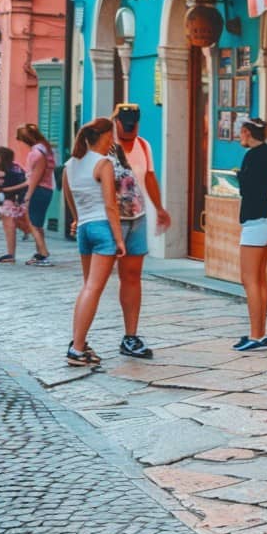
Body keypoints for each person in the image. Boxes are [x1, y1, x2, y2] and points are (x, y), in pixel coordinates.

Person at [63, 118, 126, 366]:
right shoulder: (104, 163)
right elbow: (111, 205)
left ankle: (78, 342)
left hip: (84, 229)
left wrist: (78, 219)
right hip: (102, 229)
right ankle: (77, 349)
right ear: (105, 137)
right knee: (93, 289)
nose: (114, 140)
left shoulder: (71, 164)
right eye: (111, 135)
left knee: (87, 287)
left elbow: (69, 197)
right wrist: (119, 240)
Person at [111, 104, 172, 360]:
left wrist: (159, 208)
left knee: (132, 275)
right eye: (124, 124)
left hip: (137, 218)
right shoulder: (105, 146)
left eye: (133, 125)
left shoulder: (143, 145)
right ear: (115, 121)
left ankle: (130, 335)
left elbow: (148, 177)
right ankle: (80, 339)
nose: (129, 129)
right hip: (109, 220)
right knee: (97, 280)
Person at [234, 118, 267, 352]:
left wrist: (239, 175)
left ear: (246, 132)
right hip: (266, 218)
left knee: (249, 279)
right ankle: (259, 332)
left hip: (255, 220)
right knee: (260, 280)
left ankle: (256, 334)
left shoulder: (253, 155)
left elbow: (248, 187)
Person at [16, 124, 56, 265]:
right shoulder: (47, 150)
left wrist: (28, 195)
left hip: (38, 189)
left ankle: (44, 253)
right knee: (38, 224)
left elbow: (35, 177)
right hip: (47, 189)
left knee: (33, 224)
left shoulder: (37, 153)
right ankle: (40, 252)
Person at [0, 146, 33, 264]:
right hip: (22, 199)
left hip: (8, 201)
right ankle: (40, 250)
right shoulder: (17, 168)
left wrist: (2, 189)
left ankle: (11, 254)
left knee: (9, 227)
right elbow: (25, 183)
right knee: (27, 225)